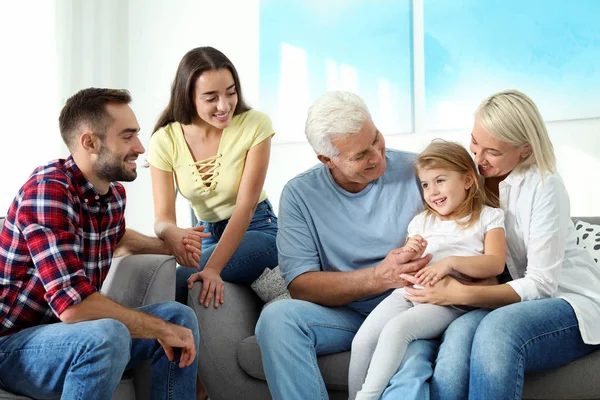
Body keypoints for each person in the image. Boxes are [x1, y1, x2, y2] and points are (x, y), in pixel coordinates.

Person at [398, 90, 600, 399]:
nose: (478, 158)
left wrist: (462, 292)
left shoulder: (545, 186)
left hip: (568, 301)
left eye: (492, 151)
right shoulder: (469, 180)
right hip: (509, 299)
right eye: (475, 142)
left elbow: (543, 284)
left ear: (524, 149)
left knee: (497, 331)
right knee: (456, 342)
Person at [0, 88, 200, 399]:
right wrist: (159, 330)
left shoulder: (112, 196)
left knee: (178, 317)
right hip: (11, 345)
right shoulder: (48, 191)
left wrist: (168, 244)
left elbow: (116, 237)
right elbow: (73, 307)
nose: (140, 147)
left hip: (68, 335)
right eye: (127, 136)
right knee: (108, 335)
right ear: (90, 142)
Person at [255, 91, 433, 400]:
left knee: (410, 362)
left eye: (376, 139)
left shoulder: (421, 172)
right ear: (326, 159)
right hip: (346, 316)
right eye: (360, 155)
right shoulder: (300, 195)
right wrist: (379, 276)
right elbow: (301, 285)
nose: (377, 156)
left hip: (411, 308)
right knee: (277, 319)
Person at [349, 140, 506, 400]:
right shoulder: (422, 221)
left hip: (447, 302)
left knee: (397, 330)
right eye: (425, 184)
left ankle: (367, 396)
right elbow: (405, 262)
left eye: (440, 180)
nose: (432, 191)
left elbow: (495, 263)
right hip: (407, 293)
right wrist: (410, 250)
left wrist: (451, 262)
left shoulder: (488, 217)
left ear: (468, 180)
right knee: (362, 341)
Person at [149, 46, 278, 309]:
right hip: (207, 235)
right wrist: (172, 233)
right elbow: (162, 218)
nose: (224, 105)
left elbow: (246, 206)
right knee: (159, 279)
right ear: (188, 97)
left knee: (179, 280)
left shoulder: (255, 124)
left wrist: (213, 269)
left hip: (257, 229)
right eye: (211, 98)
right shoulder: (165, 140)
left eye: (231, 93)